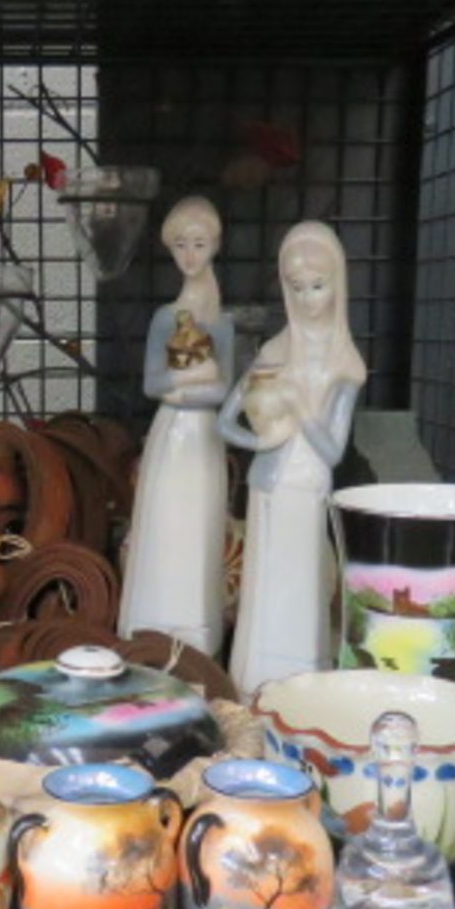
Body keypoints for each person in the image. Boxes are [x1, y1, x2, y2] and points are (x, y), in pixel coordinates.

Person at [218, 220, 365, 695]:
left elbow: (332, 450)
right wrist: (261, 440)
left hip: (307, 486)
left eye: (318, 286)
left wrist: (300, 405)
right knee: (261, 592)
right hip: (267, 483)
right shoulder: (274, 349)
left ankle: (299, 691)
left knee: (300, 590)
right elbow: (226, 421)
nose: (306, 298)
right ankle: (250, 688)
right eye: (296, 287)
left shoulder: (346, 365)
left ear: (337, 283)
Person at [116, 197, 235, 653]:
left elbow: (225, 389)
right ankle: (151, 626)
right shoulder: (165, 317)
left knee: (198, 523)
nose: (190, 255)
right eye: (181, 245)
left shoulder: (220, 322)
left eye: (199, 244)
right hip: (173, 434)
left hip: (204, 437)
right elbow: (153, 381)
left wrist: (190, 386)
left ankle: (196, 634)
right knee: (164, 523)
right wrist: (190, 379)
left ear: (214, 246)